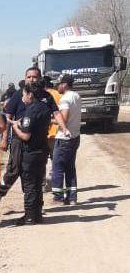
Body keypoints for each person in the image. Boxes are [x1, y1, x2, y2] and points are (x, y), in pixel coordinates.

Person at [0, 67, 70, 208]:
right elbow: (7, 117)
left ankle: (35, 207)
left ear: (40, 78)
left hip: (38, 140)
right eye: (29, 77)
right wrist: (4, 139)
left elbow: (56, 114)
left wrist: (64, 128)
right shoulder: (18, 95)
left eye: (35, 77)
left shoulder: (46, 96)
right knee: (14, 170)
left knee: (35, 173)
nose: (32, 79)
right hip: (19, 139)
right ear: (25, 78)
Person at [9, 82, 51, 225]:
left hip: (31, 152)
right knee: (38, 184)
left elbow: (26, 136)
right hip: (42, 151)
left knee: (29, 185)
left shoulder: (30, 110)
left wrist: (15, 127)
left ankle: (29, 216)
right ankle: (37, 214)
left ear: (30, 95)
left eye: (24, 95)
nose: (23, 98)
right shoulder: (45, 108)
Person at [51, 74, 82, 205]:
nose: (57, 87)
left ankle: (58, 197)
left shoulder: (65, 99)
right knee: (70, 167)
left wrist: (49, 119)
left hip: (64, 138)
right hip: (75, 136)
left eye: (58, 84)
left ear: (64, 85)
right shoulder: (77, 96)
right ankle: (72, 197)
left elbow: (63, 119)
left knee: (58, 167)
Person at [44, 75, 61, 189]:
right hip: (56, 131)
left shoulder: (41, 95)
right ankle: (53, 179)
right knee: (55, 158)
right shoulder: (58, 94)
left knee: (41, 160)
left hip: (43, 132)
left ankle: (43, 183)